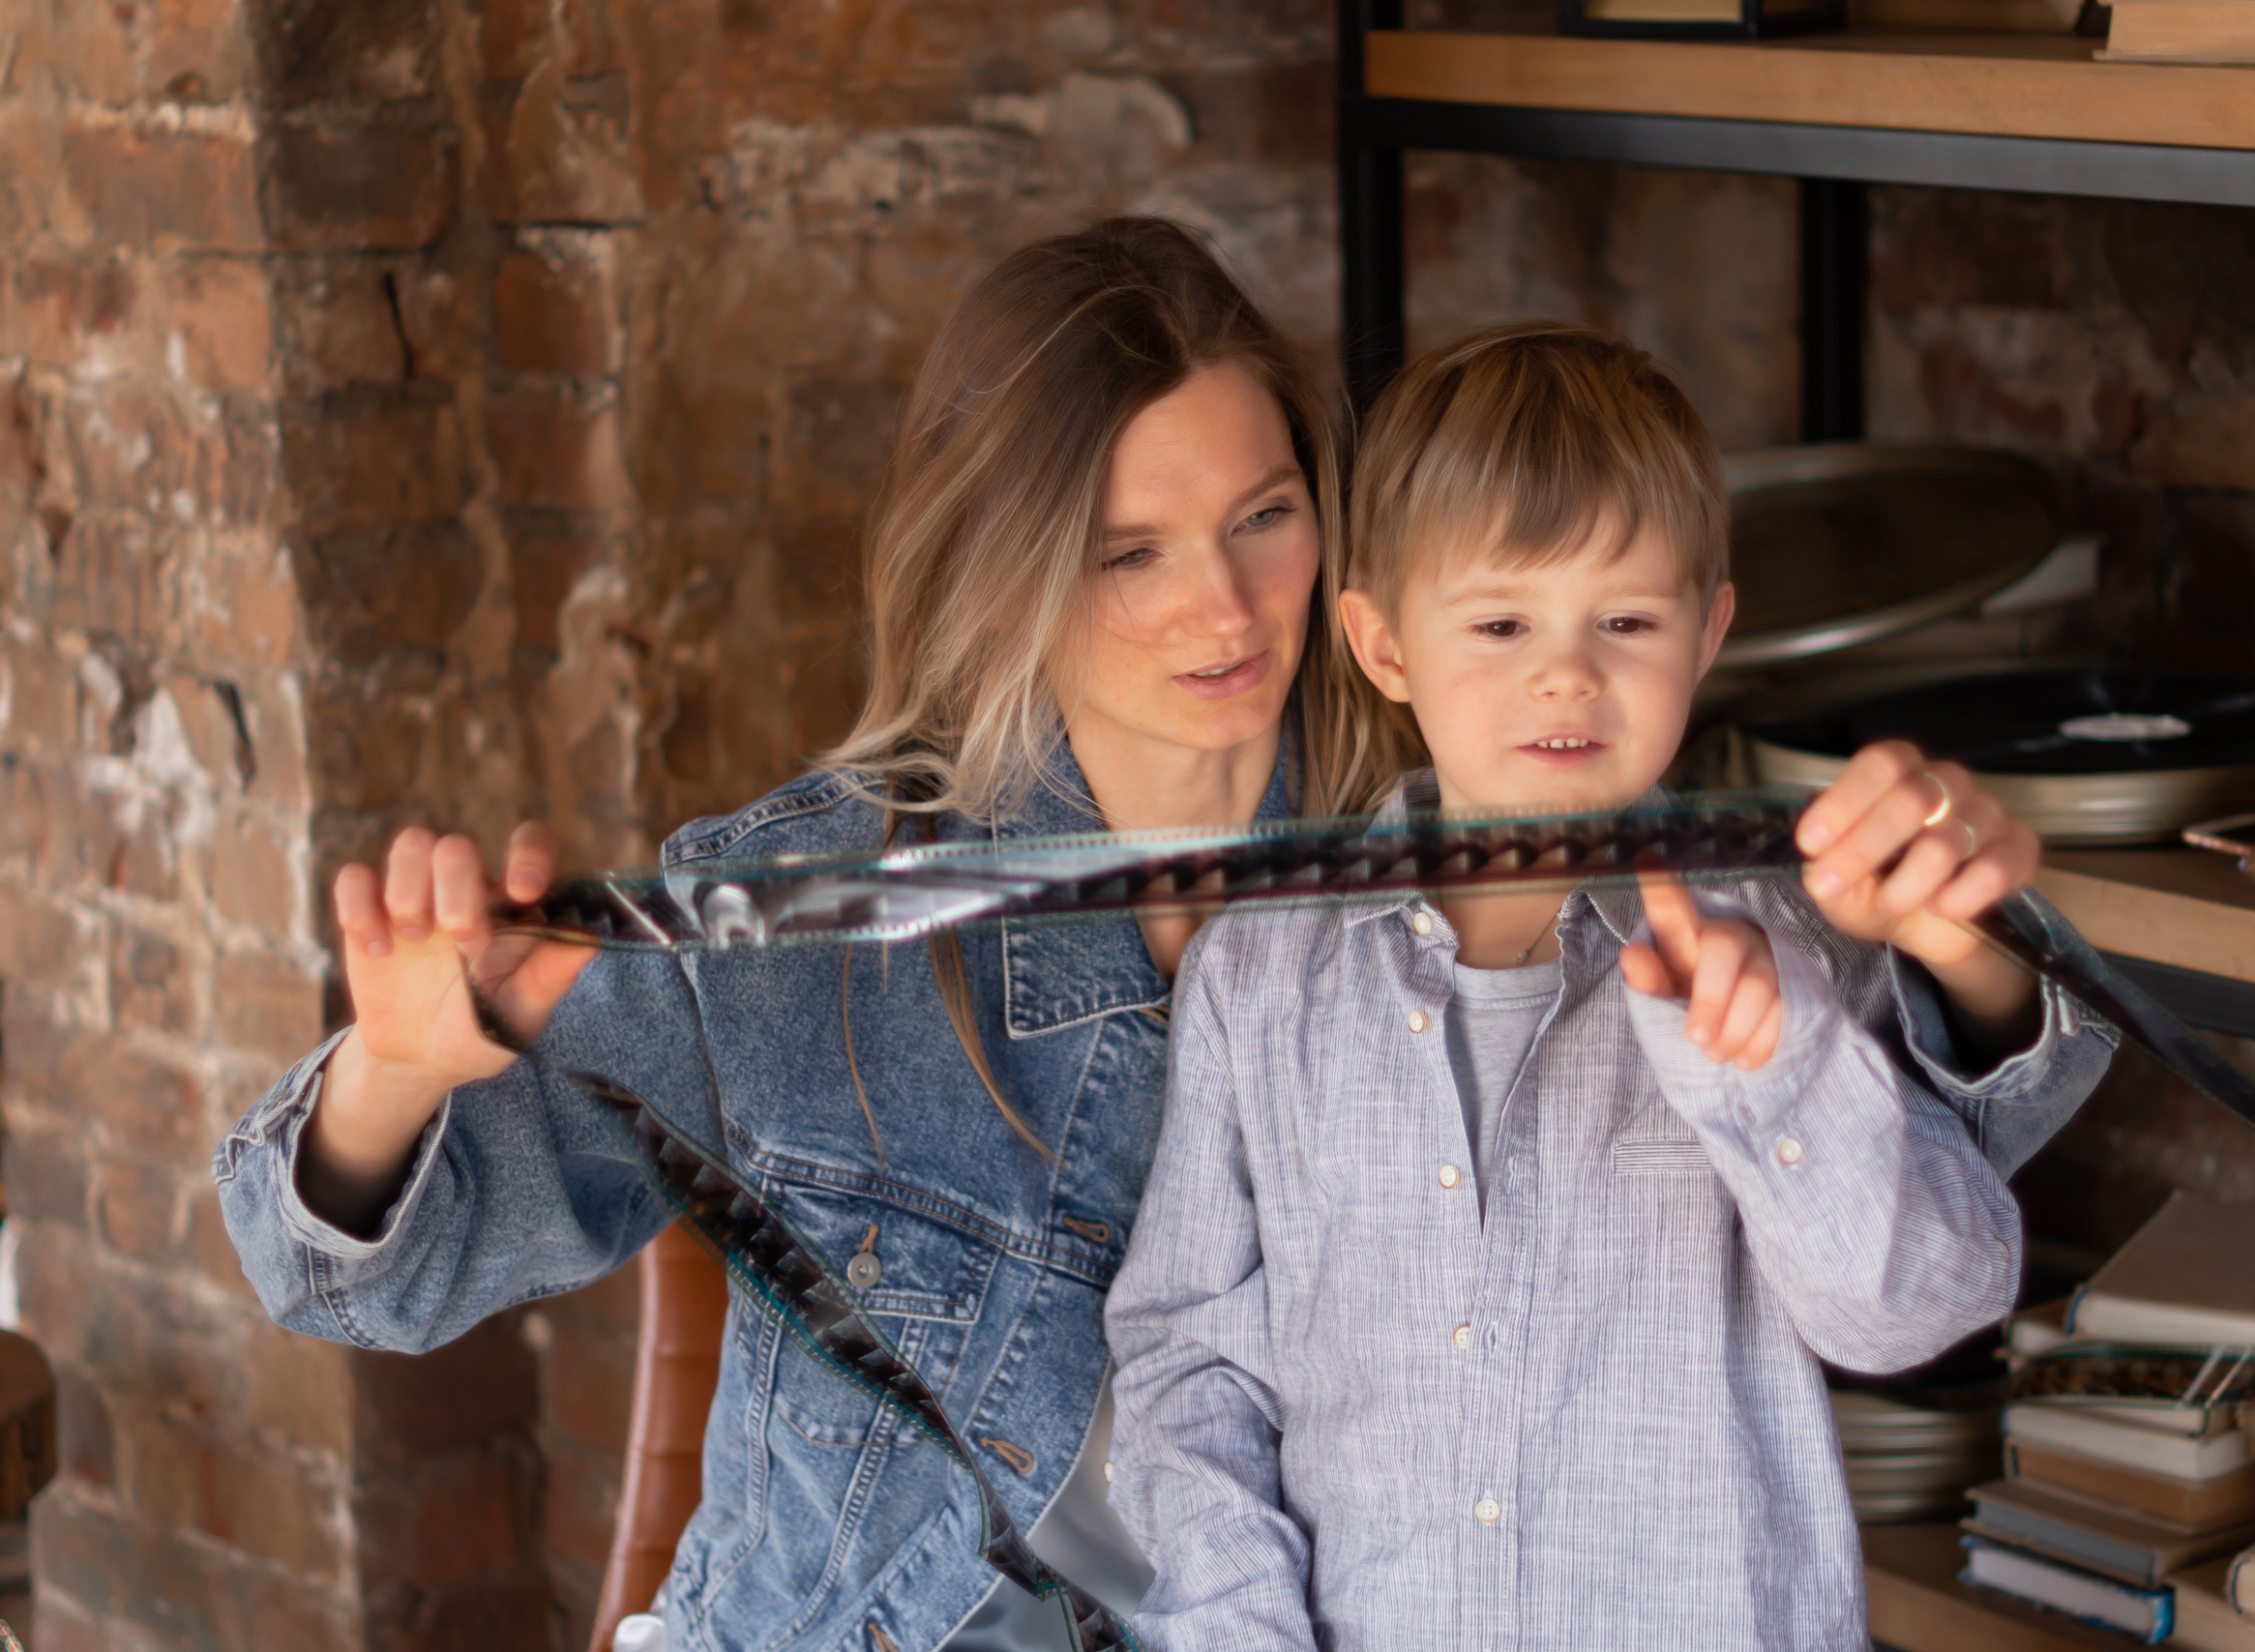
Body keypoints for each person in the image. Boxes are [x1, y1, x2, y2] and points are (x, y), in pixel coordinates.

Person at [213, 218, 1419, 1652]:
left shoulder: (1427, 884)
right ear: (1006, 568)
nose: (1220, 607)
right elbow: (344, 1283)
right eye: (1129, 554)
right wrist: (395, 1076)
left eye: (1262, 517)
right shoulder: (811, 910)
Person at [1101, 323, 2121, 1651]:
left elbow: (1916, 1310)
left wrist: (1779, 1071)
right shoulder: (1264, 967)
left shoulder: (1788, 948)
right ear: (1383, 642)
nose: (1566, 671)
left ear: (1710, 632)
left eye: (1626, 619)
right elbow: (1190, 1367)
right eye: (1503, 620)